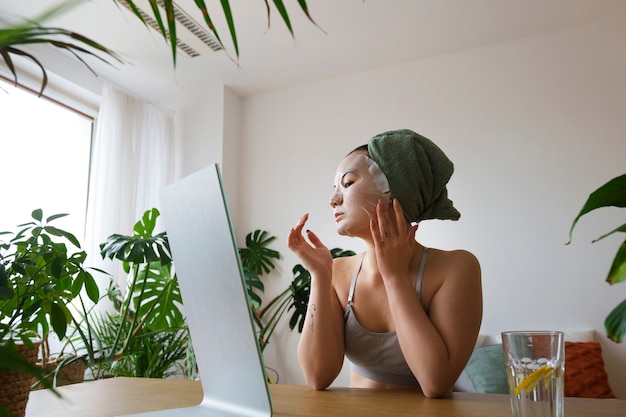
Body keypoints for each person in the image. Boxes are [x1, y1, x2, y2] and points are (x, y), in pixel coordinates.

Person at [287, 129, 482, 398]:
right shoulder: (338, 271)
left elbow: (435, 383)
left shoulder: (457, 268)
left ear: (396, 190)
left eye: (348, 183)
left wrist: (395, 277)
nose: (333, 200)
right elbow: (317, 376)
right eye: (334, 189)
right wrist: (320, 277)